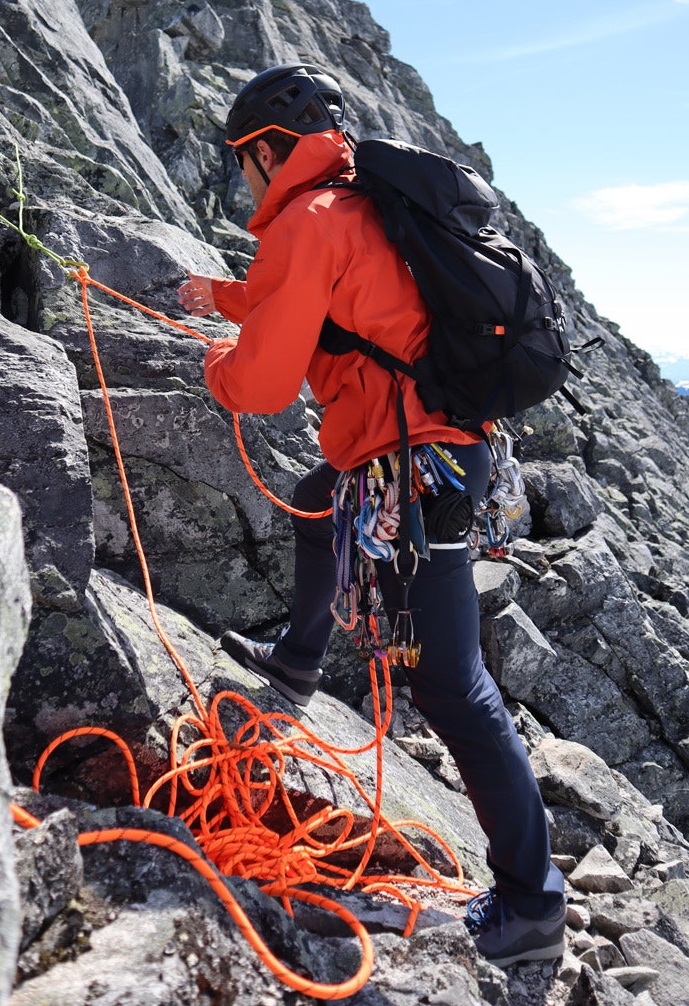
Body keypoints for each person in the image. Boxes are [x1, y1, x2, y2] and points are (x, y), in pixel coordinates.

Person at [178, 63, 566, 967]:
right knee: (319, 500)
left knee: (448, 682)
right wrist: (224, 298)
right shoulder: (356, 202)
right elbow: (336, 312)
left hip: (413, 466)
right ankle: (300, 661)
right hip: (439, 448)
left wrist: (215, 367)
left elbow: (268, 379)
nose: (244, 181)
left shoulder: (308, 220)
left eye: (245, 162)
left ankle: (532, 905)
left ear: (268, 151)